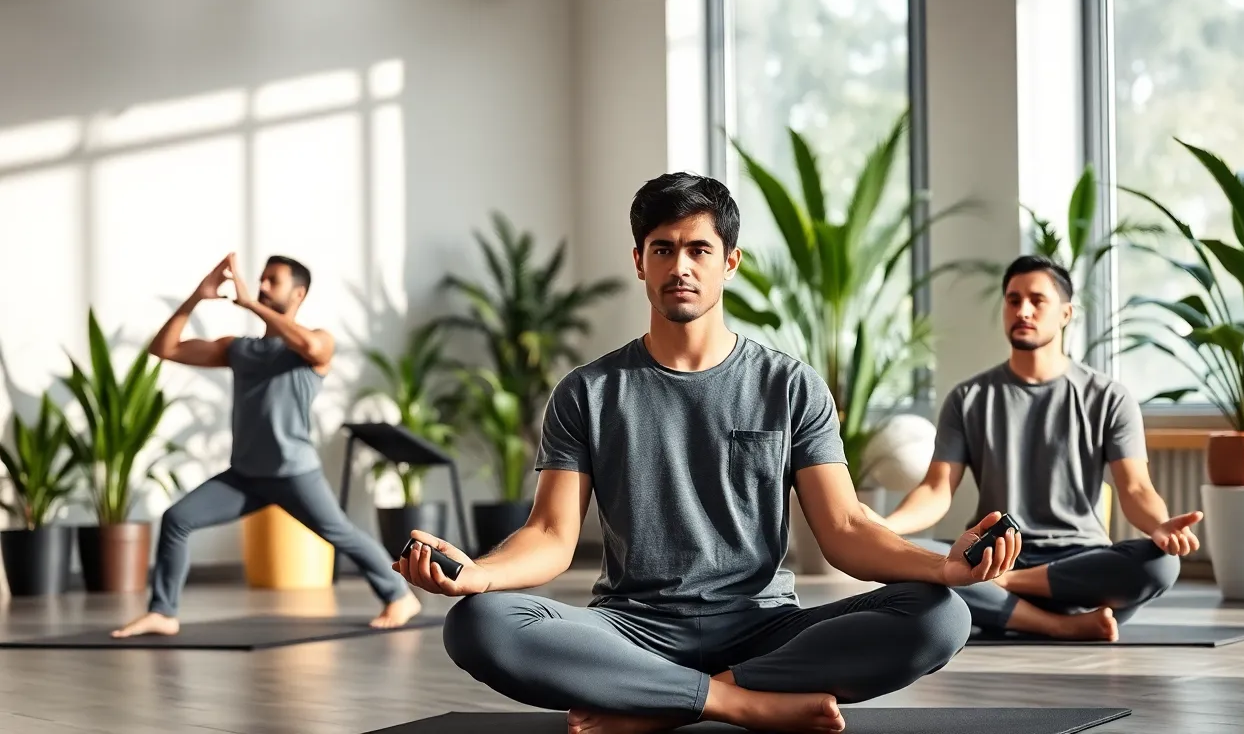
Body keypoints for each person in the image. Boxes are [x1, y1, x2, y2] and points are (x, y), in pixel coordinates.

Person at [394, 172, 1021, 734]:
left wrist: (944, 569)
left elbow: (846, 529)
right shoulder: (586, 392)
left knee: (940, 617)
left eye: (699, 250)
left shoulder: (790, 385)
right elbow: (553, 535)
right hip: (629, 630)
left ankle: (668, 702)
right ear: (639, 261)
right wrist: (479, 574)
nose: (681, 267)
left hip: (763, 629)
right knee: (479, 624)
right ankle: (738, 704)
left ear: (731, 262)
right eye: (663, 249)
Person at [872, 255, 1201, 642]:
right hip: (996, 554)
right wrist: (884, 529)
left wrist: (1159, 526)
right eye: (1013, 300)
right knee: (906, 558)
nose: (1022, 310)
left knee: (1162, 565)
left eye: (1037, 300)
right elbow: (936, 488)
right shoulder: (968, 398)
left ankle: (1008, 591)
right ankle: (1059, 625)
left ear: (1065, 313)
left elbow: (1136, 488)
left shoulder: (1109, 397)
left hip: (1077, 569)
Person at [112, 253, 421, 638]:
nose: (261, 286)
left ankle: (399, 596)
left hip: (294, 473)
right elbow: (165, 348)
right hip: (245, 476)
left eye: (272, 281)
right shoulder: (240, 350)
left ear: (298, 293)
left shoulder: (314, 344)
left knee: (341, 533)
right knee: (177, 519)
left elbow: (313, 346)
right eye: (260, 280)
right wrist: (198, 295)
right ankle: (163, 612)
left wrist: (251, 305)